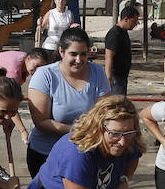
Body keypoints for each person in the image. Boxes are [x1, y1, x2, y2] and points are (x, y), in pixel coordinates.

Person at [26, 27, 111, 177]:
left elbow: (104, 113)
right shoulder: (44, 75)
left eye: (83, 54)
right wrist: (77, 131)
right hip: (47, 154)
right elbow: (41, 121)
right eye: (73, 54)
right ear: (61, 51)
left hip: (86, 151)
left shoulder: (98, 72)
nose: (79, 60)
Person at [104, 5, 142, 96]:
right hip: (115, 77)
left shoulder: (123, 32)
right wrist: (108, 79)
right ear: (126, 19)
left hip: (122, 76)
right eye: (134, 21)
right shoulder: (114, 34)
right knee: (117, 105)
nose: (136, 24)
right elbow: (108, 57)